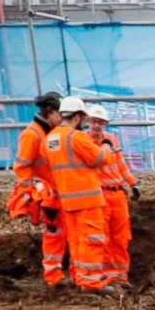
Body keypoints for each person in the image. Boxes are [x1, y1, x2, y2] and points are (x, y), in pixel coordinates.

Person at [45, 96, 114, 292]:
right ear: (77, 116)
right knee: (92, 240)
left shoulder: (51, 138)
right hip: (87, 199)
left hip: (68, 201)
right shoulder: (76, 137)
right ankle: (91, 282)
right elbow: (98, 158)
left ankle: (80, 278)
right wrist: (108, 147)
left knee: (76, 242)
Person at [12, 91, 65, 283]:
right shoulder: (32, 135)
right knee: (54, 232)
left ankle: (56, 274)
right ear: (49, 112)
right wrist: (39, 195)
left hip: (56, 194)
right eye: (60, 114)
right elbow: (22, 169)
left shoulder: (49, 133)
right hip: (47, 196)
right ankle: (53, 276)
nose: (62, 119)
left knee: (60, 232)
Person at [85, 103, 137, 290]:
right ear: (88, 122)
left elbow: (120, 164)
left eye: (101, 122)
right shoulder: (83, 141)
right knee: (103, 237)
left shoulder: (112, 139)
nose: (97, 126)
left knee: (121, 237)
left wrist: (132, 183)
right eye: (94, 121)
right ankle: (107, 277)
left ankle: (121, 277)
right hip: (99, 195)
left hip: (117, 194)